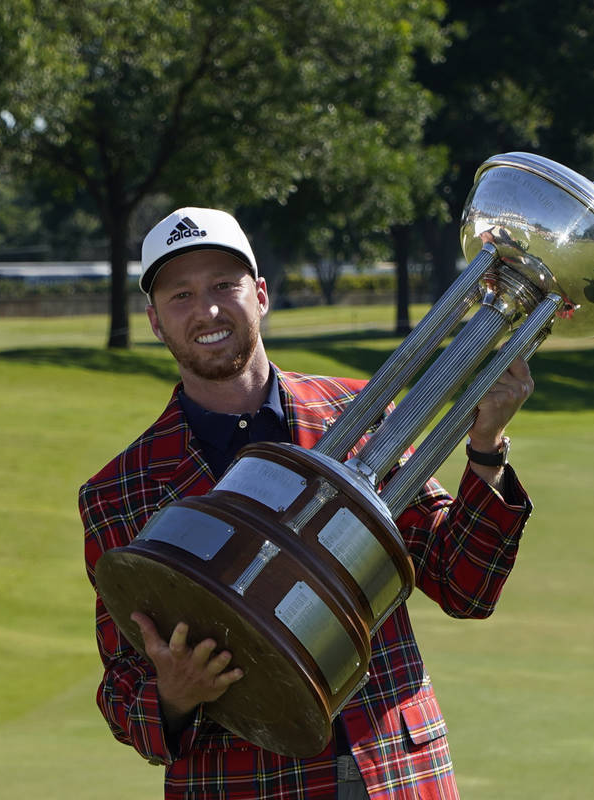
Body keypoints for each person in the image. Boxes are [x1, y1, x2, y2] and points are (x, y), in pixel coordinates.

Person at [80, 207, 535, 799]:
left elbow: (465, 585)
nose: (208, 310)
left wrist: (486, 447)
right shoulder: (120, 488)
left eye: (225, 285)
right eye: (181, 294)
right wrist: (173, 693)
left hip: (393, 774)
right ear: (155, 320)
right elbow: (123, 694)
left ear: (261, 295)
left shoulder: (358, 413)